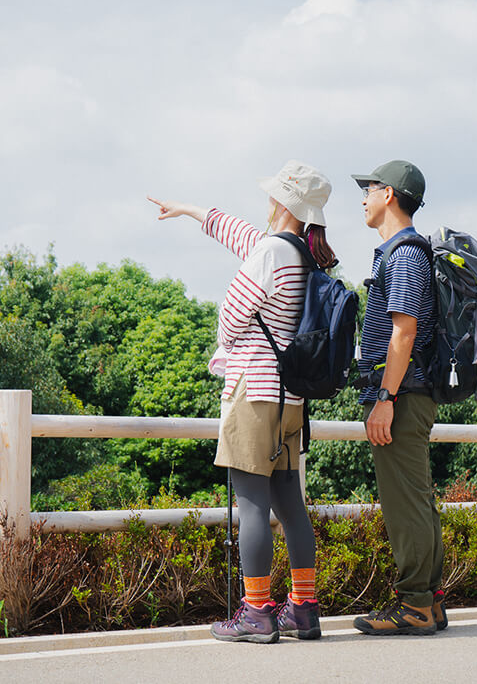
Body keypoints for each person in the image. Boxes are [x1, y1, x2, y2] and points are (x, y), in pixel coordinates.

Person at [148, 160, 337, 644]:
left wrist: (228, 348)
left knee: (251, 506)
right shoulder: (303, 253)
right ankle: (303, 610)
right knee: (290, 505)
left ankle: (256, 612)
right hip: (290, 400)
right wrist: (188, 209)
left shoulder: (271, 252)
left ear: (282, 202)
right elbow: (239, 234)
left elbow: (231, 317)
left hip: (254, 393)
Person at [350, 160, 447, 636]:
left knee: (405, 503)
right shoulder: (401, 252)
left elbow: (403, 332)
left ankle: (414, 605)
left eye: (368, 189)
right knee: (417, 499)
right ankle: (429, 601)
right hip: (406, 392)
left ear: (388, 194)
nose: (363, 198)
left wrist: (385, 397)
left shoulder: (405, 254)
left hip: (402, 394)